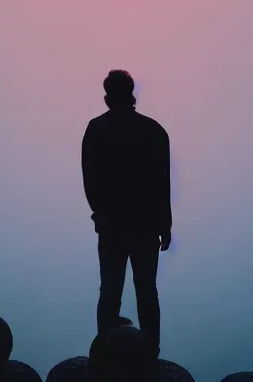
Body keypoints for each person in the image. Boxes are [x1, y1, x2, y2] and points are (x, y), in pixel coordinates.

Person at [81, 70, 172, 353]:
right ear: (131, 95)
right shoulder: (154, 130)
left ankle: (105, 352)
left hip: (112, 225)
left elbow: (90, 178)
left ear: (108, 96)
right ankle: (152, 352)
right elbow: (162, 182)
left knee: (110, 290)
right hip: (146, 225)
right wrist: (164, 225)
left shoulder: (97, 128)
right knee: (147, 291)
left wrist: (100, 215)